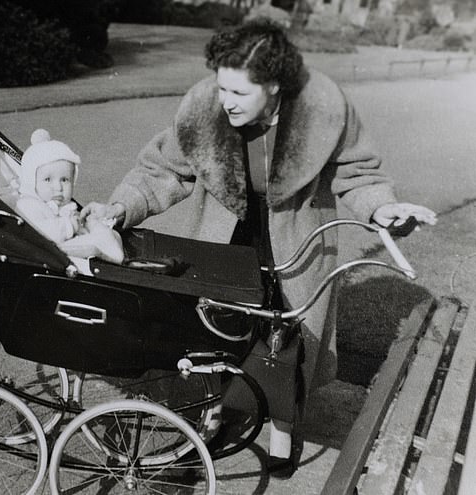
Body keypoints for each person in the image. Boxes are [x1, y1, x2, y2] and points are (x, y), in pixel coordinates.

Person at [80, 20, 436, 477]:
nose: (224, 100)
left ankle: (283, 431)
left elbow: (359, 174)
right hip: (227, 233)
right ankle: (208, 421)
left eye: (238, 93)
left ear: (273, 86)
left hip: (295, 237)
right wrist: (119, 208)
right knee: (215, 329)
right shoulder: (205, 110)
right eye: (221, 87)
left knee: (286, 336)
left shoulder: (324, 110)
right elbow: (163, 171)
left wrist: (383, 209)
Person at [16, 129, 124, 264]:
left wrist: (86, 223)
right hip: (53, 250)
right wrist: (70, 224)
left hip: (69, 242)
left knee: (106, 232)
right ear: (31, 181)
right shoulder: (28, 205)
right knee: (97, 240)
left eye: (65, 180)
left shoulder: (58, 203)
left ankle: (110, 247)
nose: (58, 188)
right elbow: (44, 232)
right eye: (48, 180)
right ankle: (112, 254)